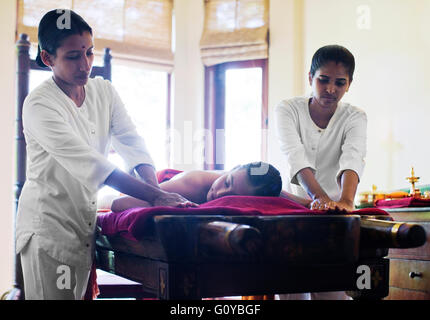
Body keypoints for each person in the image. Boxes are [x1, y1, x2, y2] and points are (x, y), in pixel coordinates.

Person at [16, 9, 196, 300]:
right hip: (48, 229)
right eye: (73, 56)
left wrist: (155, 191)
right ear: (48, 59)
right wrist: (155, 197)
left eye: (89, 52)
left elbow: (131, 142)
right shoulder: (39, 105)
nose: (85, 64)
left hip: (83, 226)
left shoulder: (104, 92)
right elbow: (92, 166)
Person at [275, 44, 367, 300]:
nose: (330, 89)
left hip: (337, 216)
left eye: (340, 82)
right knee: (291, 290)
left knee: (332, 292)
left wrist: (346, 201)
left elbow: (353, 158)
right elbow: (296, 157)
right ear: (310, 78)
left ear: (349, 84)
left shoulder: (355, 116)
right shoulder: (287, 109)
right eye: (323, 80)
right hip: (293, 212)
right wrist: (319, 199)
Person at [110, 161, 286, 212]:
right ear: (230, 170)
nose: (220, 194)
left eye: (231, 196)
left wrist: (312, 201)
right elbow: (119, 204)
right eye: (226, 182)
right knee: (105, 199)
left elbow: (280, 194)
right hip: (157, 185)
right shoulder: (194, 184)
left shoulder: (248, 187)